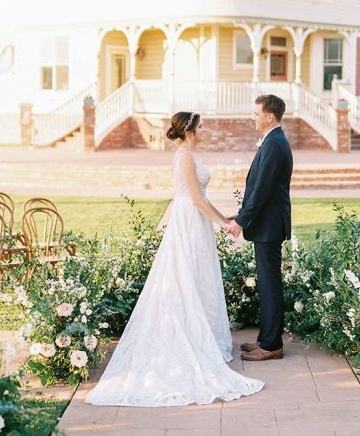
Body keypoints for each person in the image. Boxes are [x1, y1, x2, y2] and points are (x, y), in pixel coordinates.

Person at [85, 111, 263, 407]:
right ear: (190, 130)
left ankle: (202, 333)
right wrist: (222, 224)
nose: (206, 129)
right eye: (202, 126)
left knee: (199, 276)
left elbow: (201, 197)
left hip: (197, 220)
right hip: (189, 221)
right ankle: (188, 338)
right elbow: (195, 199)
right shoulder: (184, 157)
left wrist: (224, 217)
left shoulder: (189, 155)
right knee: (186, 275)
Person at [227, 94, 293, 362]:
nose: (253, 118)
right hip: (266, 224)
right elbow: (258, 188)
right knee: (267, 283)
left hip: (269, 226)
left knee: (270, 284)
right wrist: (241, 214)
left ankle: (272, 344)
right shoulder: (272, 141)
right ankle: (266, 339)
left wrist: (242, 221)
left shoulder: (275, 143)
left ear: (269, 116)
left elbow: (262, 190)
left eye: (256, 113)